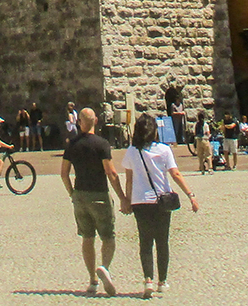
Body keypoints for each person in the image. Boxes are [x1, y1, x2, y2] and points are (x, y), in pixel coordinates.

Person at [121, 113, 198, 298]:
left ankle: (148, 279)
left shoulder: (132, 151)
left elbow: (129, 180)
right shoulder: (164, 150)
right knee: (162, 241)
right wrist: (190, 195)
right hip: (161, 201)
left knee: (145, 242)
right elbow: (175, 174)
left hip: (140, 201)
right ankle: (162, 281)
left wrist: (127, 200)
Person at [61, 107, 127, 297]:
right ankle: (104, 267)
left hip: (80, 195)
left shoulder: (72, 145)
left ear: (79, 122)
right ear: (95, 121)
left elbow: (64, 173)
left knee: (87, 238)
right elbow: (111, 172)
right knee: (108, 236)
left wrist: (72, 193)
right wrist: (122, 197)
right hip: (99, 194)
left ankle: (92, 280)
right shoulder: (102, 144)